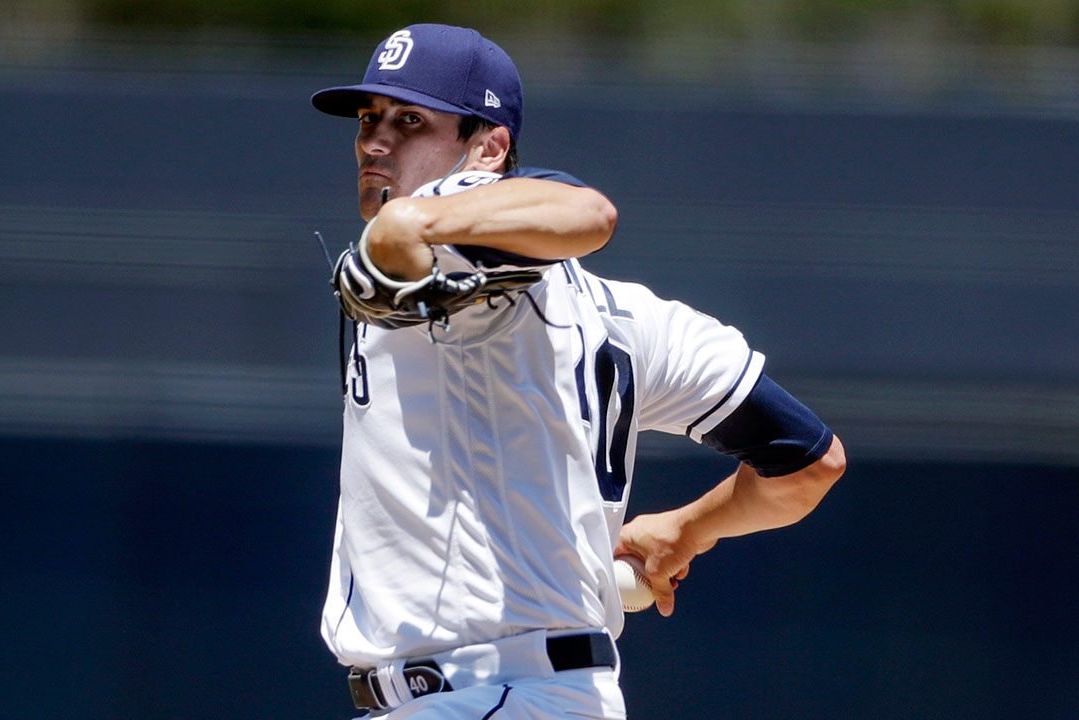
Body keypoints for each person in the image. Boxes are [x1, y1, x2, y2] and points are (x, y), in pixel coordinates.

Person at [310, 23, 846, 719]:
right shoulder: (635, 318)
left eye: (410, 121)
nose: (376, 142)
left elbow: (585, 212)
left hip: (483, 693)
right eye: (368, 120)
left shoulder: (454, 250)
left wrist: (420, 219)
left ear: (489, 147)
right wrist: (689, 528)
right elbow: (809, 463)